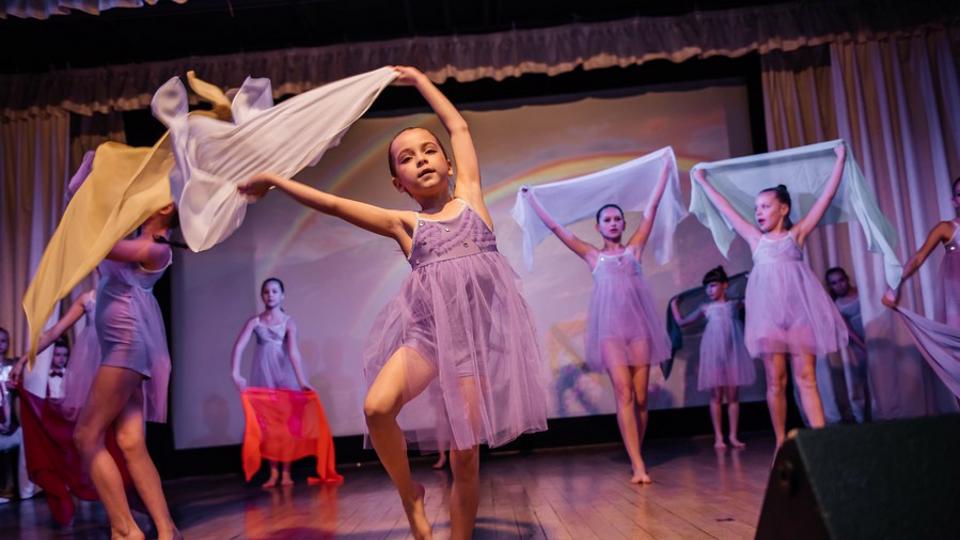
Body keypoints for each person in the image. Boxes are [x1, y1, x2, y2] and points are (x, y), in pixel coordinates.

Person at [238, 66, 547, 540]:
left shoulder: (471, 199)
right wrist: (275, 180)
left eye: (429, 151)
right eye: (407, 158)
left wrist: (420, 81)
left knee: (466, 456)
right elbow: (333, 205)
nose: (421, 160)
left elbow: (459, 127)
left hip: (469, 350)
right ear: (398, 183)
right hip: (426, 341)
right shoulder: (405, 225)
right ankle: (410, 494)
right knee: (377, 408)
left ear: (448, 164)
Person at [521, 157, 672, 483]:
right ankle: (637, 464)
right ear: (599, 227)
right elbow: (557, 229)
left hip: (640, 331)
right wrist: (533, 201)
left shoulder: (634, 251)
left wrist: (664, 170)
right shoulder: (593, 256)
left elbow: (652, 207)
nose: (613, 223)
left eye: (618, 219)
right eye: (607, 219)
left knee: (641, 398)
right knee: (623, 394)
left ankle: (636, 451)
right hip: (611, 334)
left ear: (623, 224)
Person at [691, 144, 849, 449]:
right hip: (769, 318)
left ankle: (821, 444)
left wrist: (840, 160)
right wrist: (702, 181)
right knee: (776, 381)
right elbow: (725, 208)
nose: (758, 212)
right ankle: (780, 443)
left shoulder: (796, 234)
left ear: (783, 209)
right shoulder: (755, 239)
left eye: (765, 206)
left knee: (806, 378)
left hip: (800, 314)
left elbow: (826, 198)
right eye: (756, 208)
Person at [72, 204, 181, 540]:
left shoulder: (156, 248)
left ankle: (124, 529)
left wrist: (89, 203)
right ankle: (167, 529)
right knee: (130, 441)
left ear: (166, 207)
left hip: (127, 345)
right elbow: (82, 202)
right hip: (122, 345)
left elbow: (101, 245)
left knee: (86, 436)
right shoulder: (137, 240)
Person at [231, 277, 314, 487]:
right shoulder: (255, 322)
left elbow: (293, 353)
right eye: (267, 291)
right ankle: (273, 473)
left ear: (282, 295)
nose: (270, 295)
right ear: (262, 296)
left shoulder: (288, 322)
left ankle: (286, 473)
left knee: (286, 426)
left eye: (275, 291)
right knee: (268, 427)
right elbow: (239, 346)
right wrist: (236, 373)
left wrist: (302, 381)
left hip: (284, 377)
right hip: (264, 378)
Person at [671, 266, 755, 448]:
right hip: (714, 354)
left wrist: (751, 279)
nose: (709, 290)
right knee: (716, 396)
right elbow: (682, 323)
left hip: (733, 353)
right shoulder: (706, 308)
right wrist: (674, 306)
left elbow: (754, 299)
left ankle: (733, 436)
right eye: (707, 287)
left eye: (713, 285)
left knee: (733, 396)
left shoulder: (734, 304)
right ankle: (718, 437)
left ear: (725, 285)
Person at [825, 266, 871, 422]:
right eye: (834, 283)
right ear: (830, 286)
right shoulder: (836, 305)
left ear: (847, 279)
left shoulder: (861, 292)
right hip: (858, 342)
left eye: (841, 280)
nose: (839, 285)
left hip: (874, 331)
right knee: (865, 379)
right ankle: (867, 414)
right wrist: (864, 346)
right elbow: (849, 331)